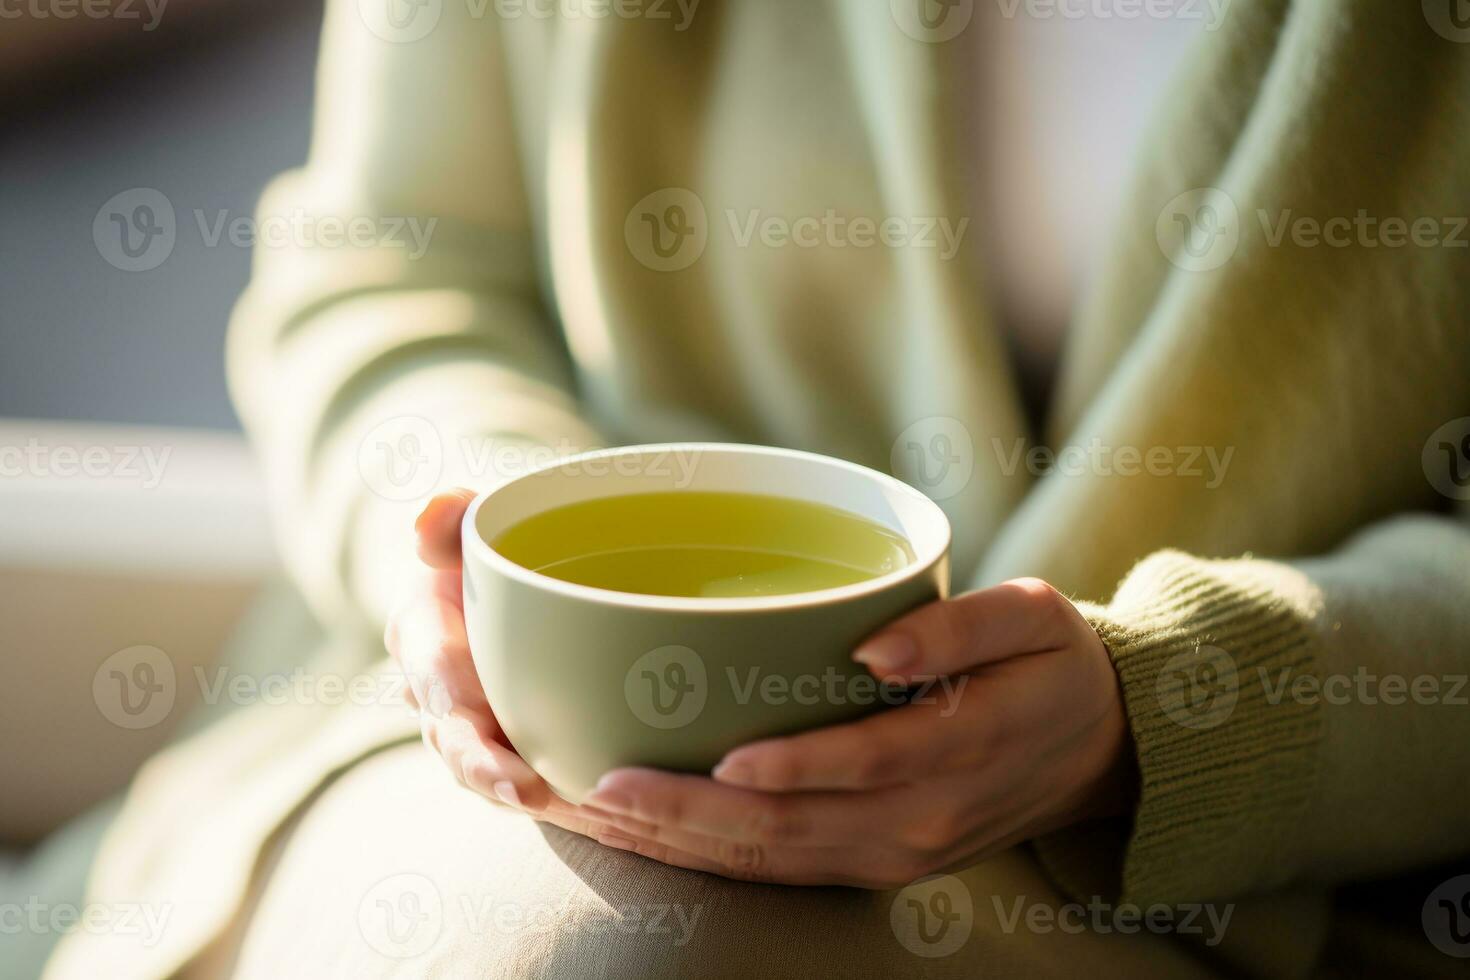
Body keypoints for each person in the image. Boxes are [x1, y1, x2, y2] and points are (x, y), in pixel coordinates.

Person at [45, 1, 1470, 976]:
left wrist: (1179, 712)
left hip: (1268, 897)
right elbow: (390, 263)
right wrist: (478, 538)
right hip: (458, 765)